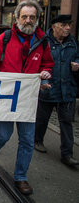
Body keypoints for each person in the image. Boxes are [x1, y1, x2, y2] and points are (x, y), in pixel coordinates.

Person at [0, 0, 54, 195]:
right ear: (17, 18)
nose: (28, 20)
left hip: (28, 99)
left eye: (32, 17)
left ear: (37, 19)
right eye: (25, 16)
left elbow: (47, 64)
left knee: (27, 139)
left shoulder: (42, 41)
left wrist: (46, 73)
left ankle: (21, 177)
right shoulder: (4, 39)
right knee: (4, 134)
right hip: (6, 97)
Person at [34, 14, 79, 167]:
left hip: (67, 90)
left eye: (69, 25)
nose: (67, 28)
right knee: (42, 119)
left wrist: (77, 64)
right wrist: (43, 81)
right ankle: (37, 140)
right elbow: (37, 62)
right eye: (63, 25)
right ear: (54, 26)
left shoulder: (73, 42)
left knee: (66, 122)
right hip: (48, 88)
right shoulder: (44, 41)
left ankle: (67, 154)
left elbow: (77, 56)